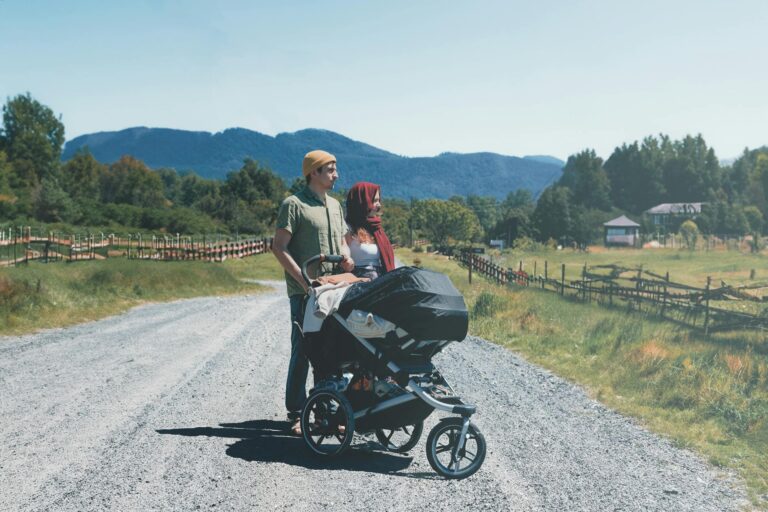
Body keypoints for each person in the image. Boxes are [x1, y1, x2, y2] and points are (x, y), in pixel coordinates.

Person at [272, 150, 354, 435]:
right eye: (330, 169)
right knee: (304, 350)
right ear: (314, 173)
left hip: (335, 288)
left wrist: (346, 257)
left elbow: (343, 242)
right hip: (305, 291)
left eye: (335, 169)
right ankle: (296, 412)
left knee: (332, 350)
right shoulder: (293, 204)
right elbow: (279, 247)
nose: (336, 174)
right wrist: (303, 282)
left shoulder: (335, 205)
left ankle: (326, 411)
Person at [345, 182, 396, 280]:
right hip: (358, 283)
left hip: (378, 280)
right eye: (375, 201)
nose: (379, 205)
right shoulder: (348, 229)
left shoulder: (376, 228)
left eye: (379, 200)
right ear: (362, 202)